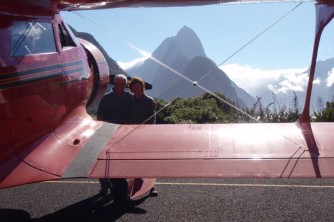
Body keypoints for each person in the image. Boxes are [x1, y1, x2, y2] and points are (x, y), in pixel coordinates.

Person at [96, 74, 131, 203]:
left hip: (124, 135)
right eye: (119, 83)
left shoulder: (129, 97)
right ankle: (105, 187)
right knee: (104, 161)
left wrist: (151, 103)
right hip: (107, 133)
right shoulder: (106, 98)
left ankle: (119, 187)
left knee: (121, 162)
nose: (121, 85)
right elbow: (100, 117)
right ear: (114, 83)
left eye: (123, 83)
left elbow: (139, 102)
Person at [128, 76, 158, 196]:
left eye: (138, 86)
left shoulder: (150, 101)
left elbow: (152, 119)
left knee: (146, 160)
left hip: (145, 135)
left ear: (142, 87)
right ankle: (135, 183)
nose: (136, 88)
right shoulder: (129, 100)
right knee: (133, 159)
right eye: (133, 86)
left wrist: (147, 133)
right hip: (131, 135)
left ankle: (151, 187)